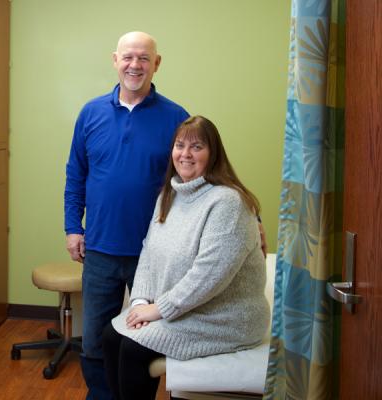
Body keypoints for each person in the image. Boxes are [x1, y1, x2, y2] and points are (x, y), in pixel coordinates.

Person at [101, 115, 271, 400]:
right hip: (189, 309)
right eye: (180, 145)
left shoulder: (228, 201)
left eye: (197, 147)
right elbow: (149, 251)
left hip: (226, 318)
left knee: (133, 349)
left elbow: (209, 276)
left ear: (213, 154)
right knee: (110, 336)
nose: (186, 154)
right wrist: (141, 302)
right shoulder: (169, 195)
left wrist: (158, 310)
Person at [64, 31, 190, 399]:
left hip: (154, 252)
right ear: (115, 60)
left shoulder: (176, 117)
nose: (135, 65)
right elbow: (76, 174)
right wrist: (74, 227)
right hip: (100, 249)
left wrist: (253, 217)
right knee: (93, 340)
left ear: (157, 63)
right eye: (128, 57)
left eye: (144, 58)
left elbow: (198, 175)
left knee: (147, 338)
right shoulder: (91, 113)